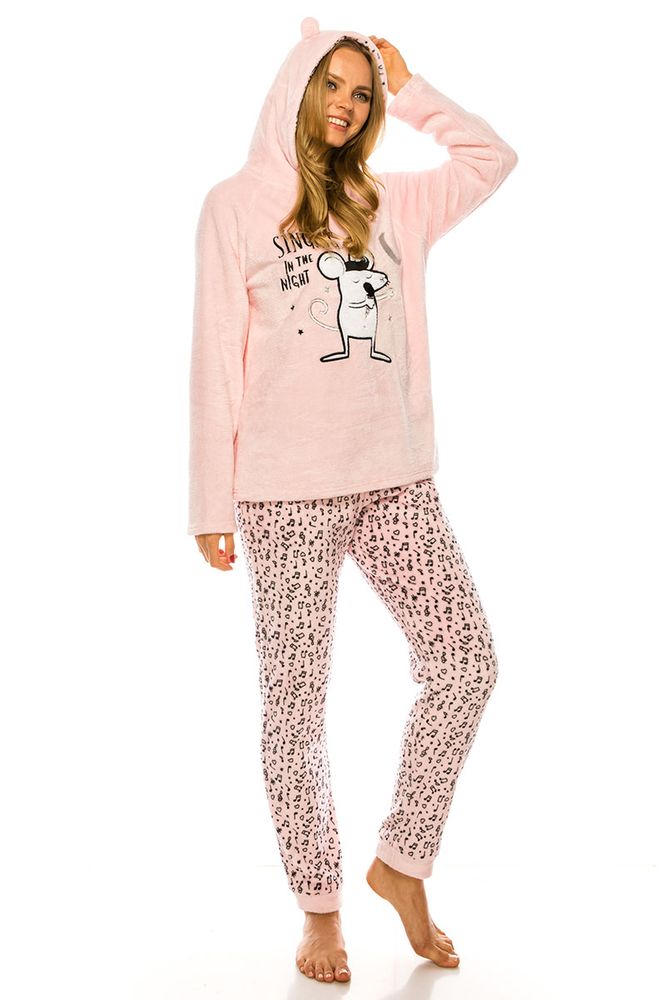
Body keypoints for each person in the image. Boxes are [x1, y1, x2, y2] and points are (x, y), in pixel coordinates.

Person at [187, 16, 518, 985]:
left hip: (393, 479)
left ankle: (401, 860)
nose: (346, 103)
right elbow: (215, 355)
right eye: (332, 84)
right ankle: (319, 910)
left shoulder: (390, 201)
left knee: (465, 661)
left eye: (361, 93)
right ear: (296, 87)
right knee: (294, 710)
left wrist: (411, 88)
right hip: (283, 490)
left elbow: (492, 158)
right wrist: (211, 500)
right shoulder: (236, 205)